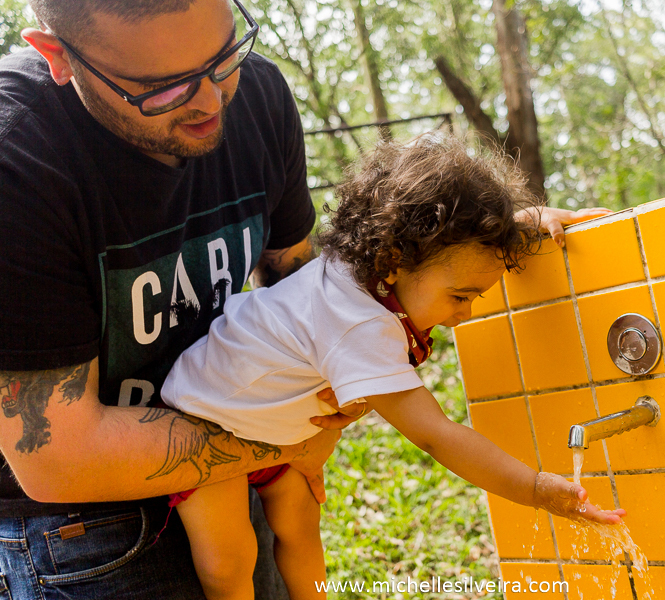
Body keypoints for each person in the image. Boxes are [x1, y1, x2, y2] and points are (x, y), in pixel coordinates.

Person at [0, 0, 605, 597]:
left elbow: (302, 279)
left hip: (241, 438)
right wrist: (293, 440)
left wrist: (488, 229)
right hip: (80, 526)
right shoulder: (12, 164)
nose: (210, 102)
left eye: (223, 55)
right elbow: (58, 458)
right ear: (58, 56)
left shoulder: (254, 94)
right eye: (162, 87)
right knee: (229, 565)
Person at [160, 135, 626, 600]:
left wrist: (523, 223)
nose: (466, 313)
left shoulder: (370, 262)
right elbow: (437, 435)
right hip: (208, 424)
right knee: (230, 561)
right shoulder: (357, 323)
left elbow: (444, 237)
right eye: (461, 296)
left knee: (300, 529)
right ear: (393, 261)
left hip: (273, 432)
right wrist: (537, 489)